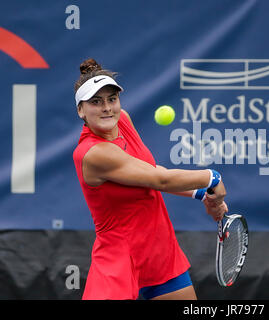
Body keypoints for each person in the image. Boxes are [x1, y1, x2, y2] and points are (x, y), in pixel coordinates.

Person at [72, 58, 228, 300]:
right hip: (118, 263)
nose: (107, 108)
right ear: (81, 110)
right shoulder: (93, 154)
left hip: (158, 252)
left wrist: (200, 193)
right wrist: (211, 178)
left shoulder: (122, 119)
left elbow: (148, 171)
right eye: (95, 102)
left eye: (111, 99)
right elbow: (160, 180)